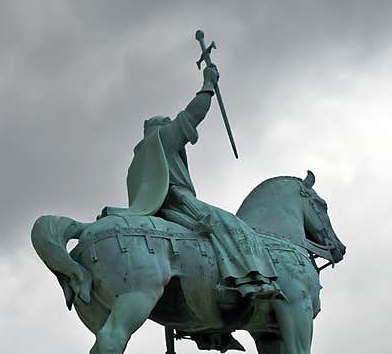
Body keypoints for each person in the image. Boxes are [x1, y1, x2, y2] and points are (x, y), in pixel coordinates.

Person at [118, 64, 281, 300]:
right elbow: (192, 116)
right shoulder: (162, 139)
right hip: (180, 202)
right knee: (230, 225)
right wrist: (207, 85)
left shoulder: (138, 158)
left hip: (159, 210)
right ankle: (251, 280)